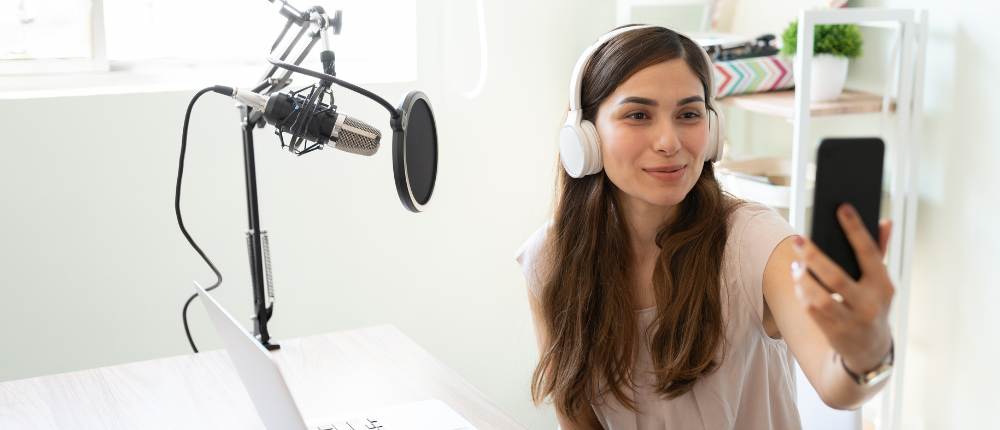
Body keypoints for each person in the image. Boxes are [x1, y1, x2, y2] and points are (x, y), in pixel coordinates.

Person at [515, 25, 896, 429]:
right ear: (585, 136)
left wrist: (867, 352)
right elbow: (576, 416)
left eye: (689, 114)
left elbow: (837, 385)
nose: (669, 141)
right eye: (638, 115)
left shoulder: (755, 240)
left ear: (712, 132)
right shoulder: (550, 258)